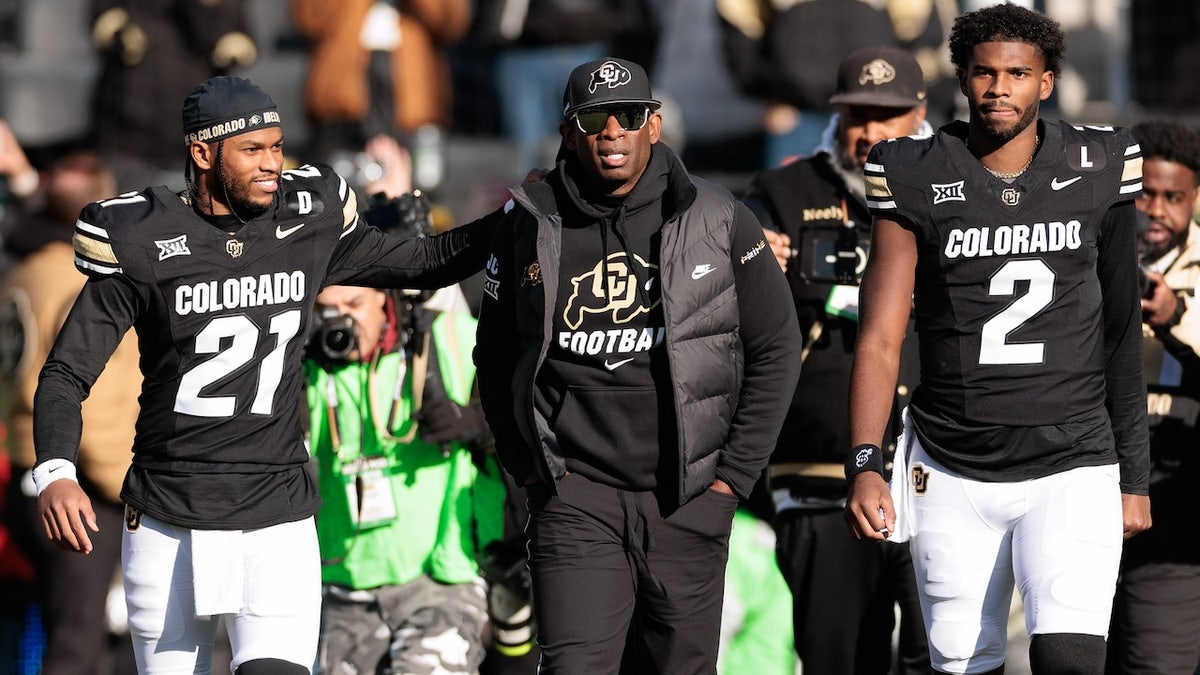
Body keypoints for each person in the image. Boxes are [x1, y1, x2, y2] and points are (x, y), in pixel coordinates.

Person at [31, 75, 503, 675]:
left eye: (277, 146)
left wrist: (514, 215)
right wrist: (54, 471)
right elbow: (67, 372)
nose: (272, 164)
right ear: (202, 153)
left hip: (275, 519)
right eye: (252, 149)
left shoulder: (306, 223)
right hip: (168, 517)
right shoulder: (142, 237)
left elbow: (429, 261)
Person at [843, 4, 1152, 675]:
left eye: (1017, 72)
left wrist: (1134, 473)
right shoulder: (914, 169)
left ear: (1046, 82)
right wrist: (865, 459)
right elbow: (880, 337)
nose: (999, 87)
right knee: (961, 666)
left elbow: (1122, 330)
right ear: (960, 77)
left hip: (1073, 460)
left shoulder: (1100, 161)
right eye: (984, 72)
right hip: (953, 464)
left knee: (1070, 662)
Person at [473, 56, 802, 674]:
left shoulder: (721, 219)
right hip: (574, 500)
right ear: (569, 131)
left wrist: (730, 482)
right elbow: (493, 357)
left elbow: (776, 349)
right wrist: (530, 471)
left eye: (629, 116)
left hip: (688, 498)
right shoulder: (529, 223)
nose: (612, 132)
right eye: (595, 118)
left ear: (654, 124)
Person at [741, 45, 932, 675]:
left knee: (946, 653)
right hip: (817, 470)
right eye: (858, 116)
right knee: (840, 657)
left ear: (920, 113)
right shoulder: (782, 190)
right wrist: (751, 268)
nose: (871, 133)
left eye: (888, 115)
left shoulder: (961, 187)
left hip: (941, 468)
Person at [305, 273, 507, 675]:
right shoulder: (308, 366)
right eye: (326, 310)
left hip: (439, 584)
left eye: (354, 306)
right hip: (342, 588)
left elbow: (527, 428)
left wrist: (475, 424)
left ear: (385, 297)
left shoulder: (450, 339)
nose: (339, 322)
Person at [0, 148, 139, 675]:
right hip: (81, 489)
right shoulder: (86, 283)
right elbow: (95, 404)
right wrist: (128, 487)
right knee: (78, 645)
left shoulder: (21, 274)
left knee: (60, 634)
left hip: (24, 476)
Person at [1106, 119, 1200, 675]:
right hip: (1085, 502)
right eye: (1145, 193)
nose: (1158, 210)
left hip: (1175, 515)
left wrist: (1177, 317)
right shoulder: (1082, 253)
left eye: (1174, 197)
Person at [291, 0, 471, 194]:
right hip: (342, 88)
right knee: (334, 187)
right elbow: (309, 18)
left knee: (417, 187)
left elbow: (451, 21)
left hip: (412, 90)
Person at [88, 0, 257, 192]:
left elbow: (237, 37)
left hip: (192, 138)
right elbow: (105, 21)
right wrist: (117, 34)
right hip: (128, 136)